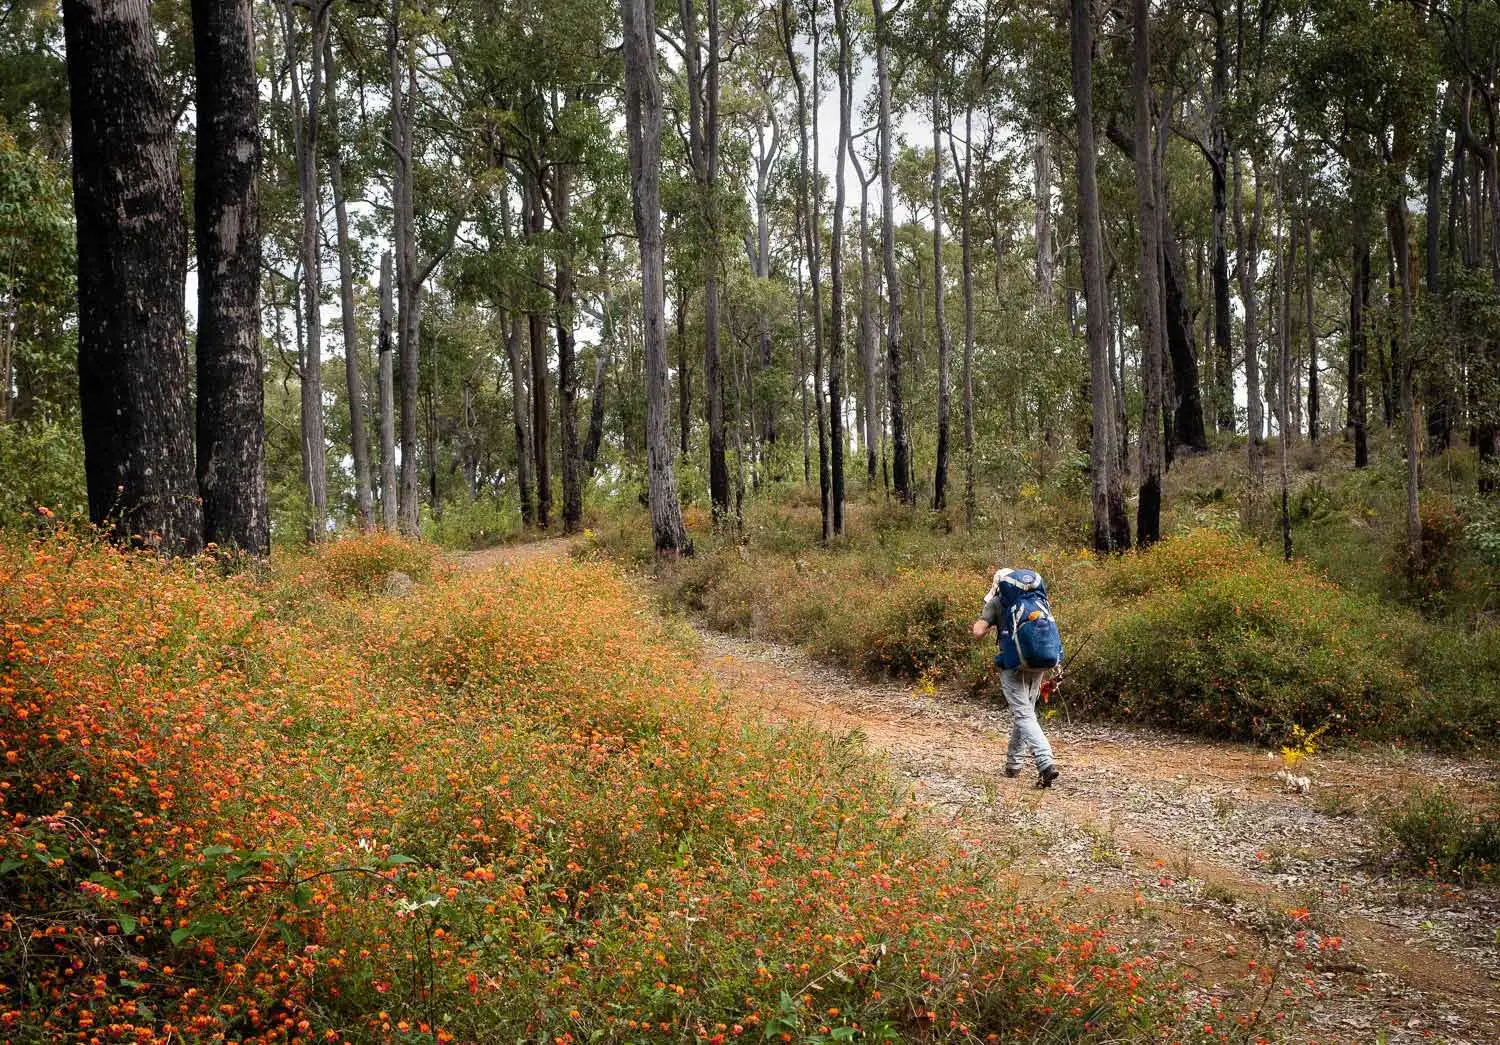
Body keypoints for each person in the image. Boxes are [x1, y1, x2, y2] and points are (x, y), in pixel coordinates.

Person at [971, 568, 1061, 789]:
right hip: (1038, 663)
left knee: (1023, 715)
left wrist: (986, 622)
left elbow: (978, 632)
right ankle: (1014, 765)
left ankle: (1045, 762)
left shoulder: (998, 603)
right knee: (1025, 714)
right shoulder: (1038, 600)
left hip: (1012, 665)